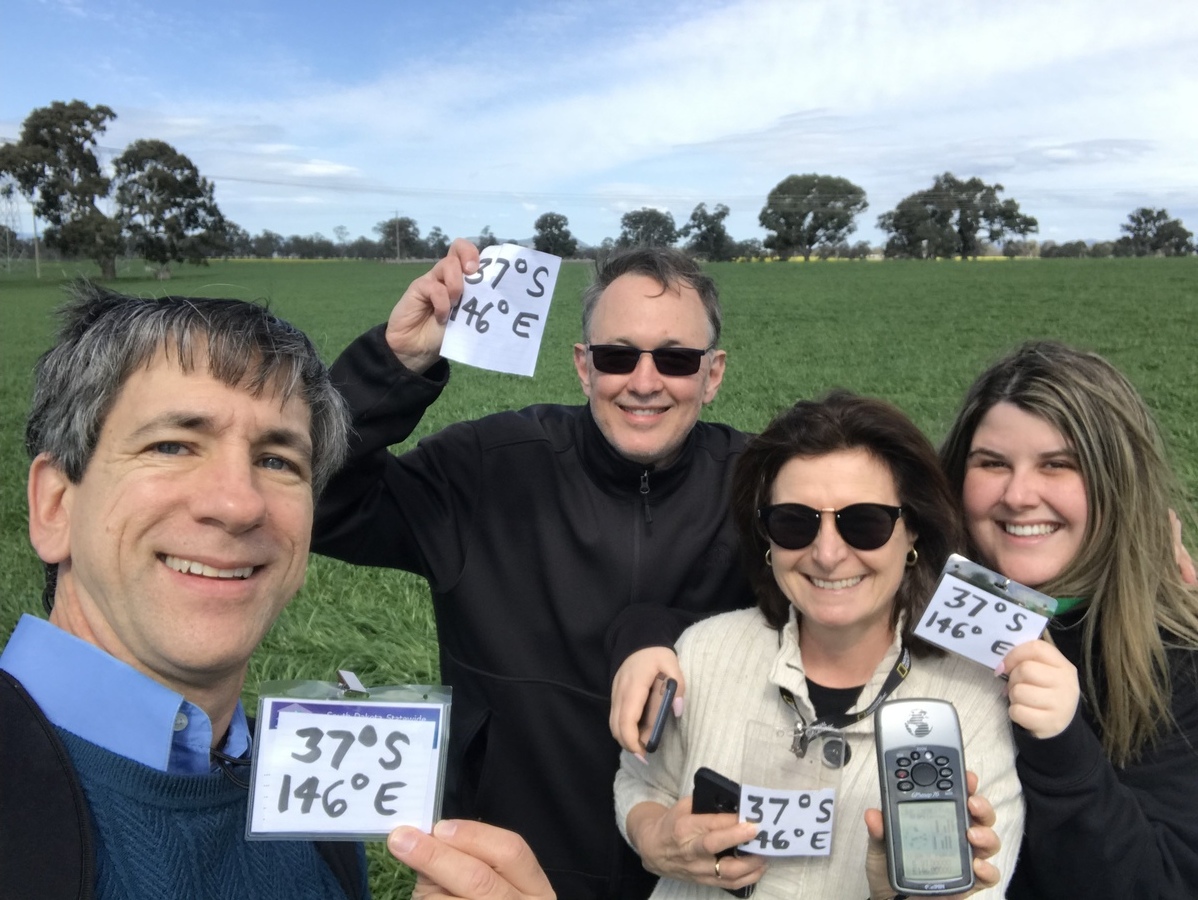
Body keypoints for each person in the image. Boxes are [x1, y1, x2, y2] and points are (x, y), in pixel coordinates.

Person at [0, 282, 558, 900]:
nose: (238, 504)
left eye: (277, 461)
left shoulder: (303, 788)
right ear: (55, 505)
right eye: (173, 445)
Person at [312, 239, 755, 898]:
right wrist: (393, 366)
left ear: (712, 373)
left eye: (676, 359)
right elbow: (320, 503)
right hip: (511, 868)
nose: (644, 381)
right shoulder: (489, 467)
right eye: (616, 355)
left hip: (693, 873)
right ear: (583, 366)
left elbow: (862, 589)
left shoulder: (762, 489)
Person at [614, 391, 1023, 898]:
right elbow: (642, 784)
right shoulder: (704, 652)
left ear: (912, 529)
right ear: (765, 538)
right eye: (794, 523)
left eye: (865, 523)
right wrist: (653, 837)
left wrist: (894, 894)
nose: (828, 554)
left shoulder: (974, 700)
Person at [938, 341, 1198, 899]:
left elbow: (1163, 886)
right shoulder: (905, 606)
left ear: (1115, 482)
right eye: (992, 464)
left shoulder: (1175, 660)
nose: (1018, 495)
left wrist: (1061, 744)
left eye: (1059, 465)